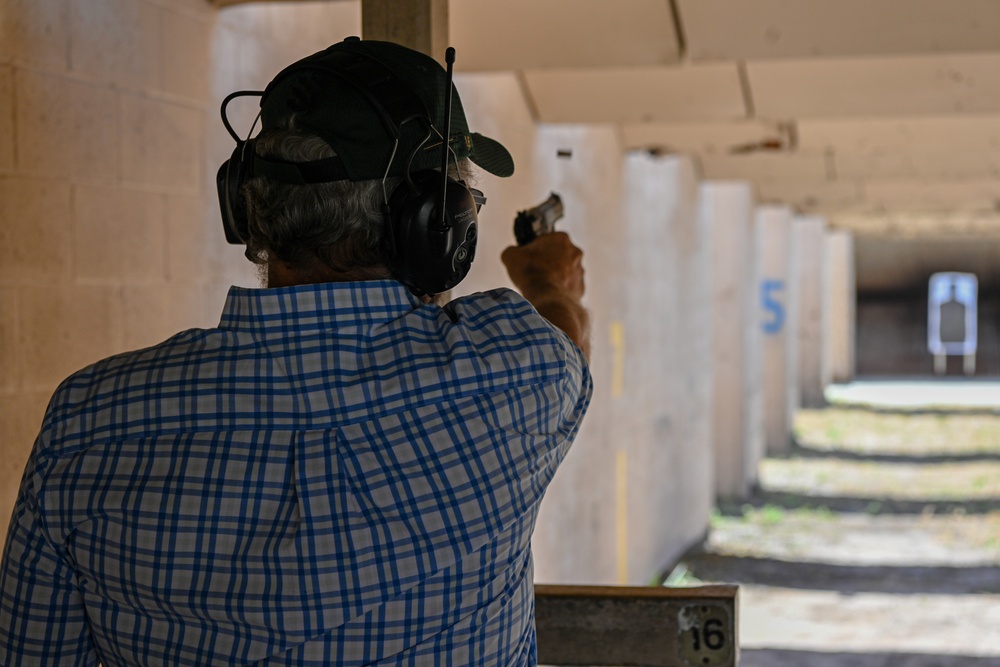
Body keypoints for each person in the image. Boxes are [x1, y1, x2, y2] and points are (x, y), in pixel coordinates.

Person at [0, 37, 591, 666]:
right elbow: (565, 334)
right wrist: (547, 280)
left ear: (245, 207)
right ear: (437, 228)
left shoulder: (86, 421)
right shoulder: (520, 375)